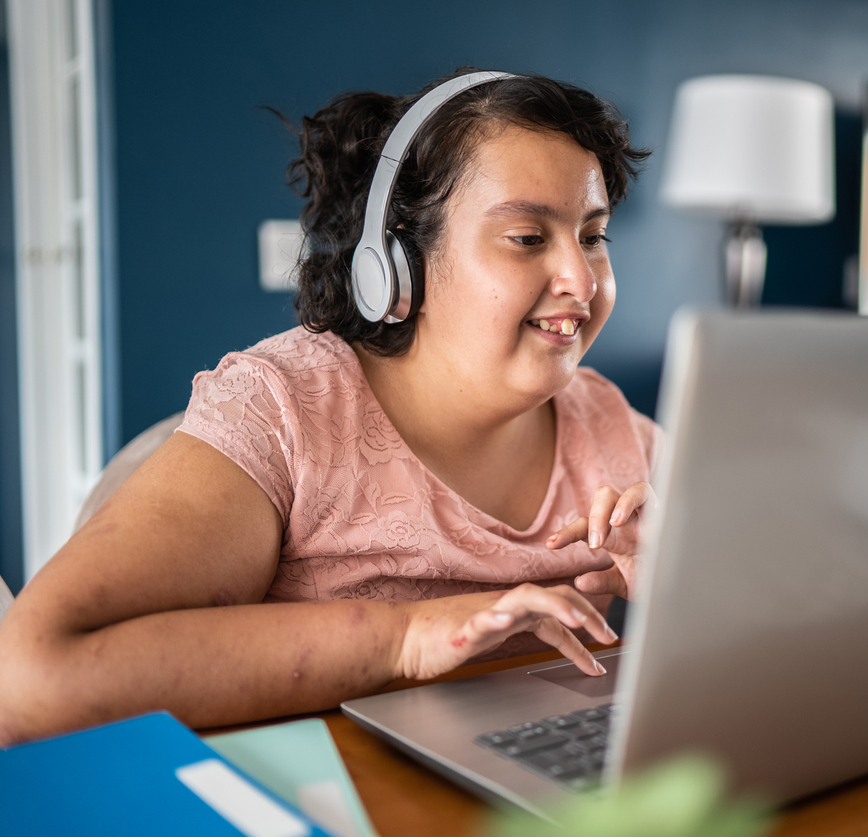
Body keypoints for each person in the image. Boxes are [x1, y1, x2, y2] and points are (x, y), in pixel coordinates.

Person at [0, 69, 655, 746]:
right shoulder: (282, 414)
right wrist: (404, 637)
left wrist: (688, 586)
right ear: (398, 261)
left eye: (592, 235)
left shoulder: (610, 426)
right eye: (527, 236)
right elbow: (30, 677)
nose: (581, 279)